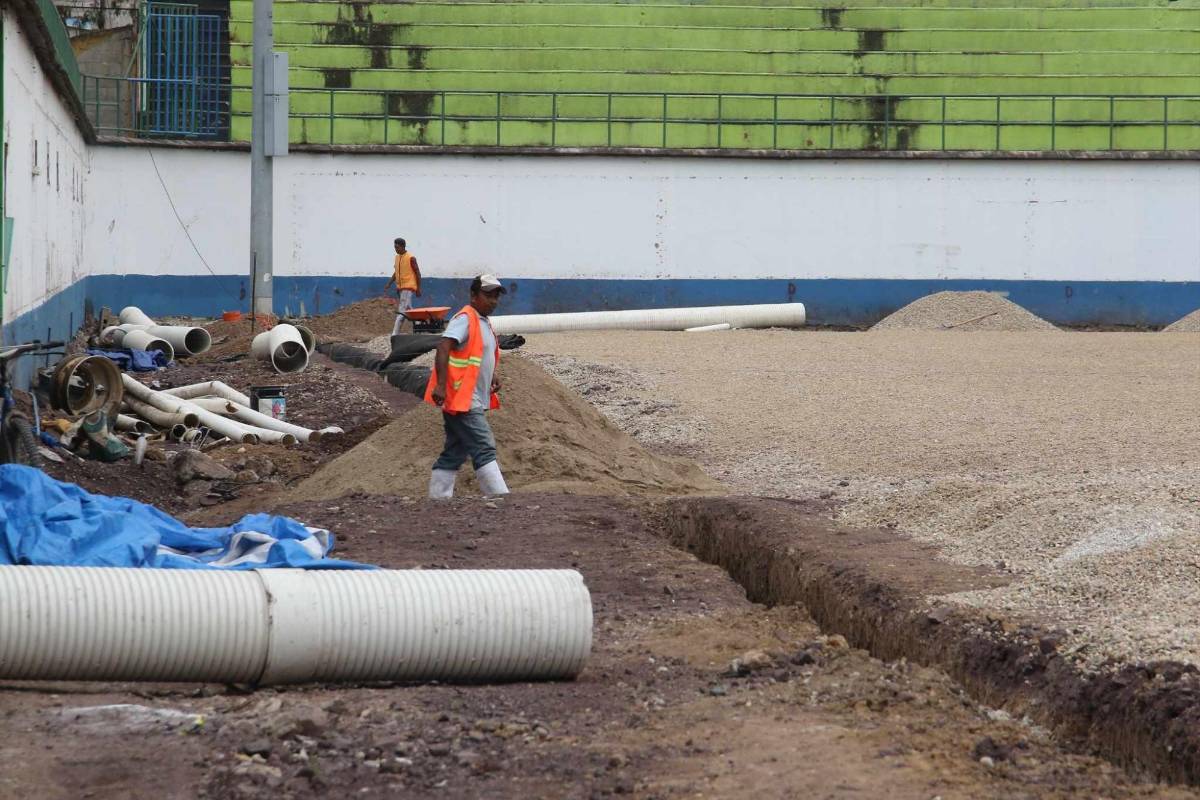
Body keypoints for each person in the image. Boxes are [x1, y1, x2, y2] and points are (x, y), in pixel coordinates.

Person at [425, 274, 508, 498]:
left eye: (496, 296)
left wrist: (492, 375)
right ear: (473, 295)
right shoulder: (465, 318)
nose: (493, 301)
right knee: (484, 445)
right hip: (463, 397)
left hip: (469, 397)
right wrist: (441, 385)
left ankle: (438, 499)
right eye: (488, 295)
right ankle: (500, 498)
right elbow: (443, 347)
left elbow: (476, 355)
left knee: (455, 451)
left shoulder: (483, 322)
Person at [387, 237, 421, 335]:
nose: (395, 249)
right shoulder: (397, 257)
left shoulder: (411, 258)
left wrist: (418, 288)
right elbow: (396, 272)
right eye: (394, 247)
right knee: (409, 309)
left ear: (403, 246)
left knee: (402, 311)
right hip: (401, 288)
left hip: (408, 287)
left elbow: (418, 273)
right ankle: (419, 326)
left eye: (397, 247)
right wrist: (389, 283)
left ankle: (394, 334)